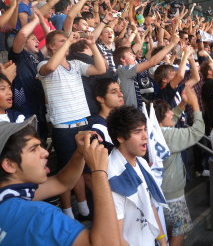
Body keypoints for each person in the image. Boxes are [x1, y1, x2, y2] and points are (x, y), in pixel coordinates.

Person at [0, 116, 120, 246]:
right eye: (33, 149)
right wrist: (99, 172)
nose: (45, 153)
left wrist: (80, 153)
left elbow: (61, 182)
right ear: (9, 165)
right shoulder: (40, 216)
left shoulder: (8, 198)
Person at [37, 30, 106, 219]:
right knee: (68, 172)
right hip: (63, 128)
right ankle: (68, 213)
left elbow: (101, 69)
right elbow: (51, 67)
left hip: (83, 123)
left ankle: (84, 209)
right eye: (61, 41)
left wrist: (92, 45)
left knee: (85, 169)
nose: (66, 42)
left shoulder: (76, 64)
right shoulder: (43, 63)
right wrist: (69, 41)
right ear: (51, 46)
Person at [107, 106, 168, 246]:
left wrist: (163, 241)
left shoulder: (142, 163)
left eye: (145, 129)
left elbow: (150, 205)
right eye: (137, 131)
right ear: (120, 137)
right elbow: (117, 234)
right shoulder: (113, 176)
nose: (145, 136)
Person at [153, 85, 205, 246]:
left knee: (169, 229)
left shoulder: (153, 131)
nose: (171, 113)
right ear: (160, 118)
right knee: (180, 229)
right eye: (167, 111)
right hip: (171, 194)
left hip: (160, 191)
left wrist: (183, 103)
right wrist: (195, 104)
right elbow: (197, 131)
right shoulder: (167, 135)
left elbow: (172, 119)